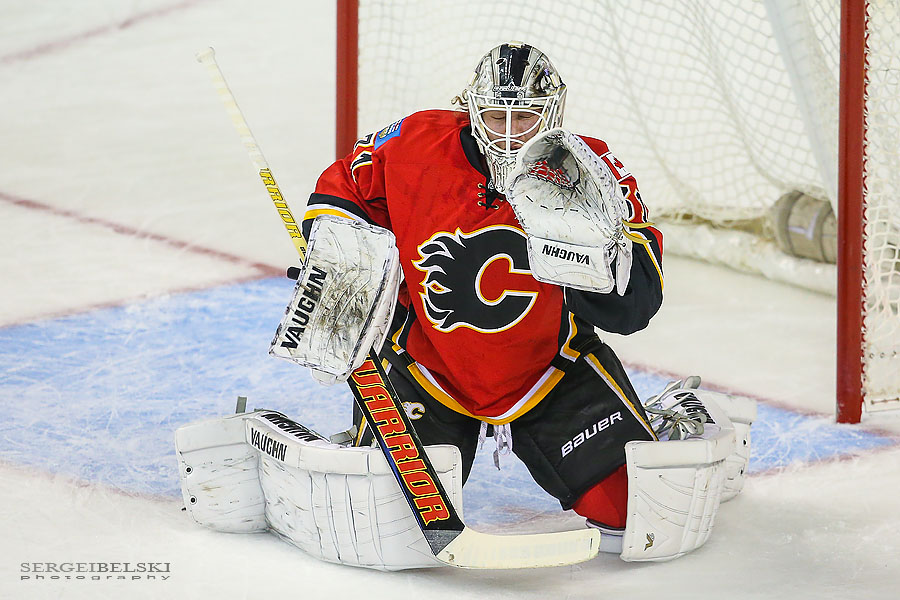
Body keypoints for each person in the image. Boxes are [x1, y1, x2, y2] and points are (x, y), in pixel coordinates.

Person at [301, 42, 664, 533]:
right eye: (497, 117)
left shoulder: (591, 169)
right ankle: (362, 448)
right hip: (428, 366)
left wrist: (596, 253)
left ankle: (664, 420)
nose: (511, 136)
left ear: (552, 115)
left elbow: (634, 308)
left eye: (527, 119)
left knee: (637, 515)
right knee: (390, 522)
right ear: (472, 109)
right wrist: (336, 254)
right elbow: (343, 189)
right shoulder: (413, 142)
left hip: (551, 370)